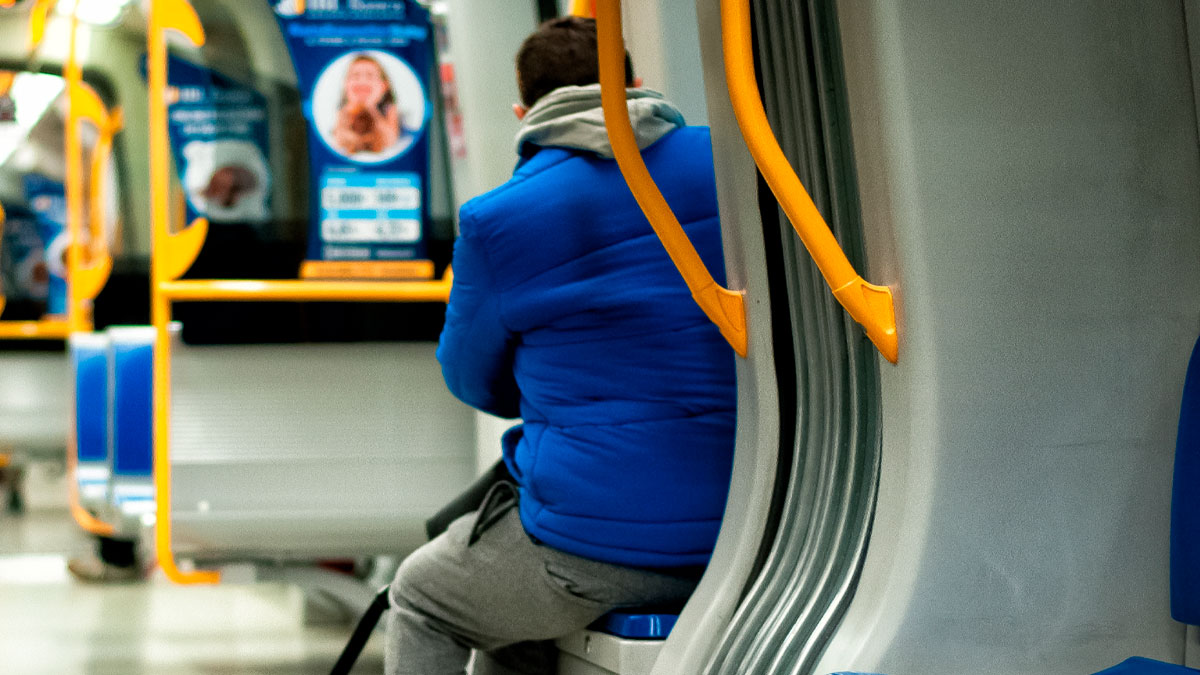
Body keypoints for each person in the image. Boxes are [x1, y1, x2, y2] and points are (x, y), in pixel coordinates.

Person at [385, 16, 737, 675]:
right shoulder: (727, 165)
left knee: (424, 595)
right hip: (751, 521)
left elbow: (472, 379)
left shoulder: (497, 218)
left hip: (593, 548)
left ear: (523, 110)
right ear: (635, 83)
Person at [331, 54, 402, 156]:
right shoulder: (344, 109)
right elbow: (339, 142)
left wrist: (371, 107)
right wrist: (353, 106)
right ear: (346, 84)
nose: (362, 81)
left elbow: (390, 142)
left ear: (384, 86)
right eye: (355, 76)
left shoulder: (388, 108)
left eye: (370, 76)